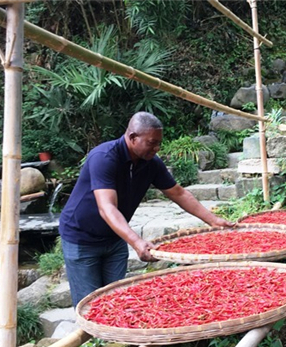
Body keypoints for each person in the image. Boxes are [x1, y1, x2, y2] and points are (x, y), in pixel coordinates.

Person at [59, 111, 232, 307]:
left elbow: (178, 193)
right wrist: (136, 241)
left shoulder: (151, 163)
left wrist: (213, 220)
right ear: (133, 137)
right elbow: (106, 208)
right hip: (82, 239)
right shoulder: (104, 157)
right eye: (152, 142)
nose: (157, 148)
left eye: (159, 143)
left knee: (114, 301)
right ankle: (91, 338)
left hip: (115, 239)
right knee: (89, 305)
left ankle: (114, 338)